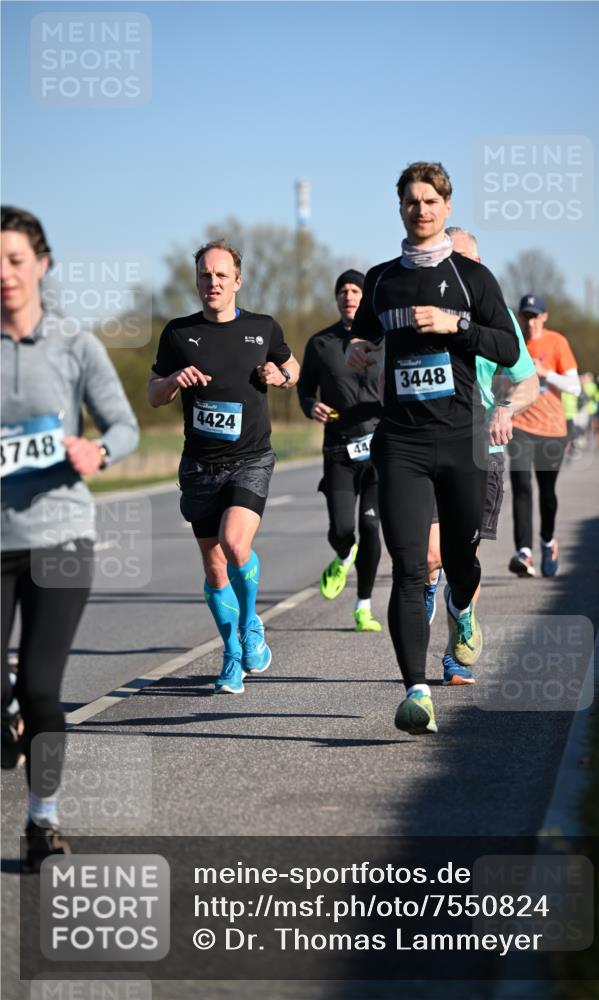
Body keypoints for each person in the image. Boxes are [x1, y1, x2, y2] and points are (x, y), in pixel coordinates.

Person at [346, 162, 520, 735]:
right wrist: (358, 351)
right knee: (412, 566)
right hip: (401, 442)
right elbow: (365, 333)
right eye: (410, 201)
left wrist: (455, 325)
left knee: (463, 559)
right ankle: (416, 690)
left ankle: (463, 608)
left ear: (446, 207)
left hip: (463, 438)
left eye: (429, 201)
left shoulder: (473, 277)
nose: (419, 209)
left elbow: (506, 346)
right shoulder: (380, 279)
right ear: (399, 208)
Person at [1, 206, 139, 870]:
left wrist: (98, 452)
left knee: (43, 690)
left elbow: (125, 426)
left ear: (42, 265)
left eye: (15, 260)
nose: (4, 275)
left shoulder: (74, 345)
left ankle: (42, 821)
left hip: (60, 537)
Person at [149, 239, 299, 695]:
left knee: (236, 544)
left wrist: (282, 376)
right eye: (203, 275)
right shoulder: (178, 334)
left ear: (238, 280)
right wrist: (175, 380)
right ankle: (232, 651)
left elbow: (292, 367)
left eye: (220, 274)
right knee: (215, 570)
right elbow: (155, 395)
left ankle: (250, 624)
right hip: (200, 466)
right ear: (196, 281)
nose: (211, 282)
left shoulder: (262, 328)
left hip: (251, 458)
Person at [421, 228, 538, 683]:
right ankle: (428, 587)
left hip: (480, 450)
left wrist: (506, 408)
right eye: (451, 262)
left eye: (467, 261)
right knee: (431, 554)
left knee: (462, 559)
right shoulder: (422, 314)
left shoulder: (498, 316)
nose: (459, 272)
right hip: (429, 444)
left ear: (480, 265)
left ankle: (456, 641)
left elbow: (528, 381)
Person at [298, 270, 383, 631]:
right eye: (343, 291)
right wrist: (310, 406)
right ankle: (344, 554)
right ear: (336, 298)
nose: (349, 296)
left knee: (371, 527)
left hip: (380, 449)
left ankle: (363, 607)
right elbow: (304, 389)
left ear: (364, 297)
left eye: (355, 290)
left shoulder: (383, 338)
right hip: (338, 449)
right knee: (343, 530)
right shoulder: (321, 343)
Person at [508, 294, 580, 578]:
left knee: (547, 494)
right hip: (520, 426)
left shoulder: (557, 342)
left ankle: (548, 542)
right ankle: (524, 553)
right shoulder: (513, 343)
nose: (531, 322)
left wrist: (545, 373)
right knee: (521, 486)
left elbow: (574, 386)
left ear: (545, 317)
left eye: (536, 316)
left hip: (552, 430)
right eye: (526, 316)